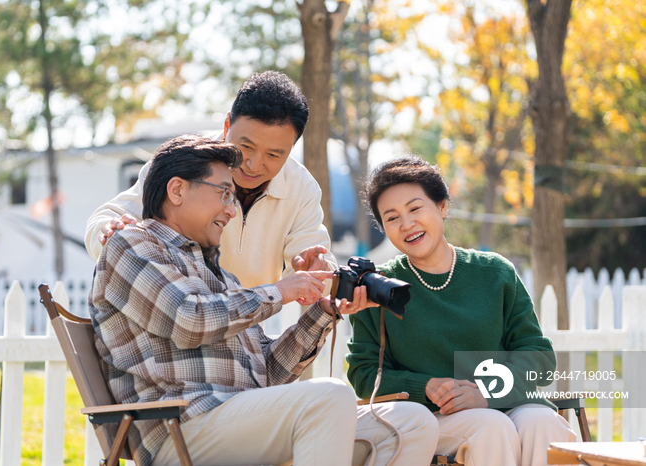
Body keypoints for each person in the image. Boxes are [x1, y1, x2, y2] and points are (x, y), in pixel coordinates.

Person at [90, 136, 438, 466]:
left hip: (237, 418)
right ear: (177, 189)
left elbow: (269, 373)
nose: (231, 210)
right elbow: (189, 319)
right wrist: (281, 290)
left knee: (412, 422)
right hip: (180, 427)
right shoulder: (132, 245)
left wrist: (323, 311)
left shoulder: (220, 275)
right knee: (329, 397)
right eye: (224, 194)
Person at [346, 156, 576, 466]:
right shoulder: (378, 288)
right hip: (431, 416)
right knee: (489, 426)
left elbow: (538, 356)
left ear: (441, 206)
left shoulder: (495, 273)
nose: (407, 224)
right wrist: (425, 386)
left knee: (544, 423)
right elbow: (364, 374)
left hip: (505, 402)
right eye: (392, 217)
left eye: (415, 209)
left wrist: (486, 393)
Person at [85, 71, 336, 289]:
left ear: (291, 148)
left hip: (244, 324)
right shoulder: (185, 161)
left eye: (273, 154)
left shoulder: (301, 186)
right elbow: (106, 219)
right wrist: (110, 233)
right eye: (245, 146)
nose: (254, 164)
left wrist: (315, 267)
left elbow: (316, 265)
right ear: (227, 125)